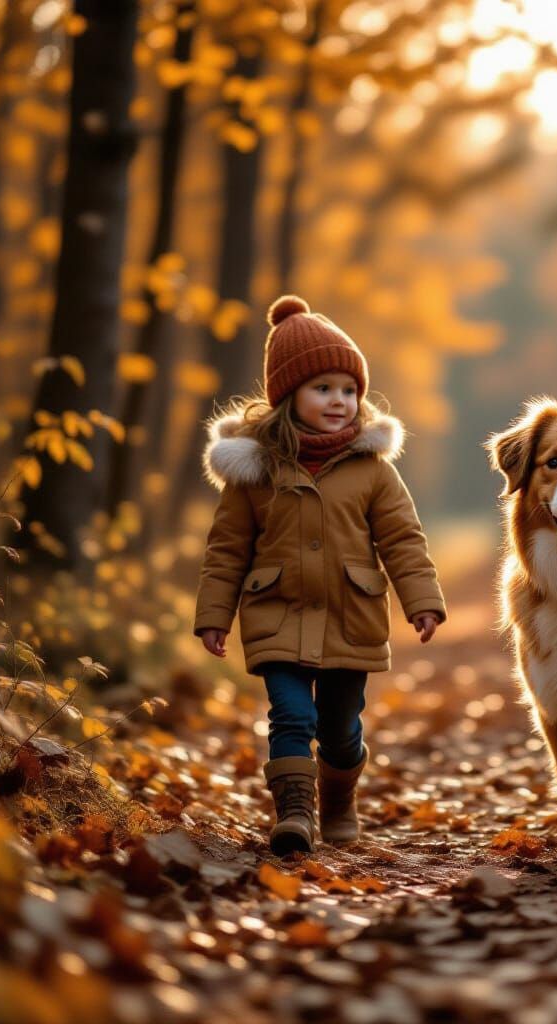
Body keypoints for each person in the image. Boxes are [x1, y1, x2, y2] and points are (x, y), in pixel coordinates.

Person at [194, 294, 446, 854]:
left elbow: (403, 539)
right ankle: (295, 815)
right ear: (287, 395)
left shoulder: (373, 471)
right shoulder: (254, 471)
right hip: (275, 611)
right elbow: (227, 549)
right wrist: (214, 615)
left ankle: (336, 800)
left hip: (349, 617)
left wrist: (421, 600)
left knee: (339, 728)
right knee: (290, 714)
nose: (340, 401)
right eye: (323, 389)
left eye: (349, 390)